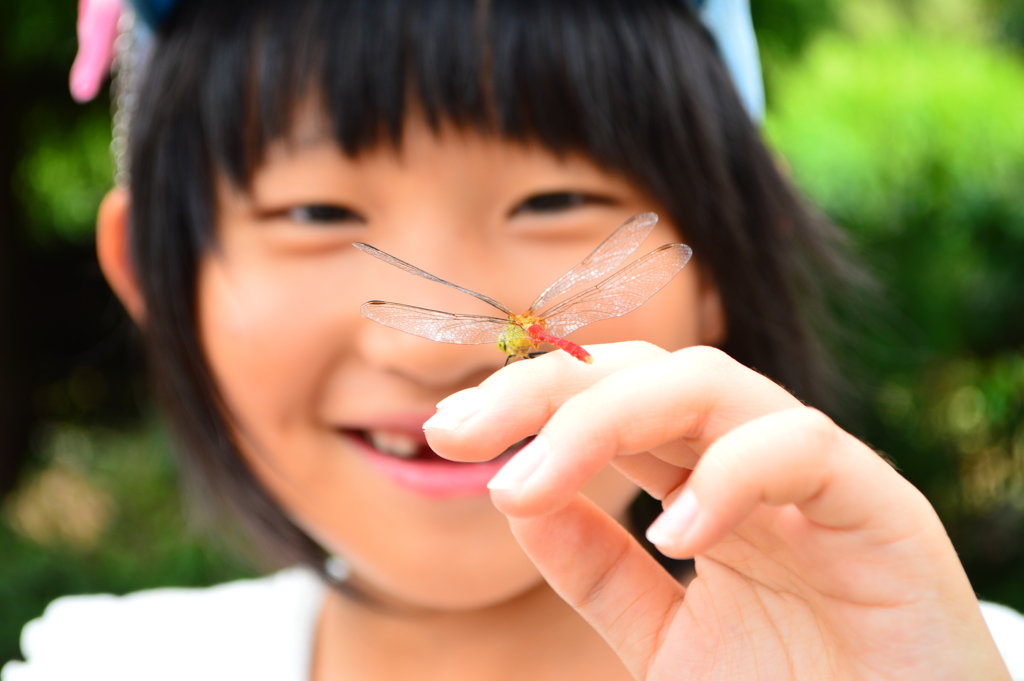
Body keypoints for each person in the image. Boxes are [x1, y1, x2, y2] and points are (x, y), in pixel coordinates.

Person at [6, 0, 1024, 679]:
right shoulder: (99, 664)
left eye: (554, 198)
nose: (434, 358)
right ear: (150, 269)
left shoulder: (936, 651)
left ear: (723, 253)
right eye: (314, 212)